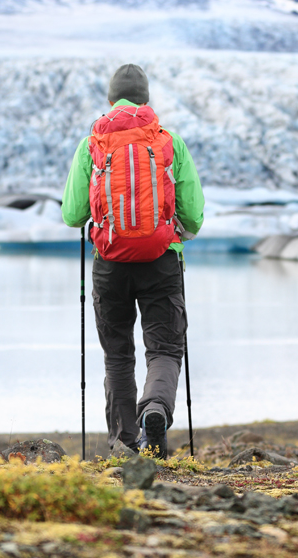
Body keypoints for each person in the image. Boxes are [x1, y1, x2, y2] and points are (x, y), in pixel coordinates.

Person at [62, 64, 205, 459]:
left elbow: (73, 214)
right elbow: (192, 213)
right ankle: (155, 409)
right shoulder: (168, 141)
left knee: (118, 354)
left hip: (110, 264)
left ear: (110, 100)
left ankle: (124, 445)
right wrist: (178, 233)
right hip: (162, 260)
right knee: (164, 348)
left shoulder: (92, 143)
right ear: (146, 100)